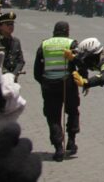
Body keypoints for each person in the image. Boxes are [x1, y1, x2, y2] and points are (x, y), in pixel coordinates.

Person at [33, 21, 82, 161]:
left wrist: (44, 82)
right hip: (68, 84)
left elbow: (37, 71)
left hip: (49, 85)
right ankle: (71, 142)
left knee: (53, 117)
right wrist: (83, 80)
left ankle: (58, 148)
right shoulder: (72, 44)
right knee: (72, 111)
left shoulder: (44, 45)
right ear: (67, 31)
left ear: (54, 31)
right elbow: (80, 62)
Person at [0, 12, 24, 80]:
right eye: (7, 24)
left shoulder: (16, 41)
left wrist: (14, 74)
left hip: (12, 80)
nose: (11, 26)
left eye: (12, 24)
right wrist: (6, 73)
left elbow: (21, 61)